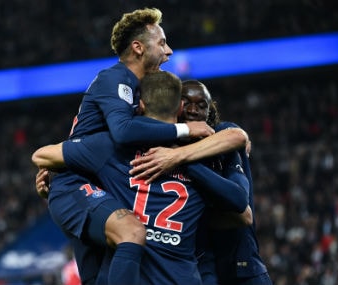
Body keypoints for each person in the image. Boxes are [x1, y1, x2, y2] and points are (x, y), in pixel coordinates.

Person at [34, 7, 215, 284]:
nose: (169, 52)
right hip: (77, 184)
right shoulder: (115, 78)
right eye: (162, 43)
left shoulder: (138, 88)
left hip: (100, 181)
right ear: (138, 47)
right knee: (132, 231)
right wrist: (185, 128)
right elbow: (121, 131)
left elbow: (91, 132)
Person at [33, 70, 252, 284]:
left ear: (141, 105)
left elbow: (42, 155)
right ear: (180, 108)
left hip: (129, 272)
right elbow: (241, 210)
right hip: (180, 276)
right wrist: (185, 161)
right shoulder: (201, 156)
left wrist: (54, 186)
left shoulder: (111, 148)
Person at [130, 80, 273, 285]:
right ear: (176, 106)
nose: (193, 110)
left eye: (201, 105)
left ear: (210, 111)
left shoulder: (220, 138)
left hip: (241, 269)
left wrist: (181, 160)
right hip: (198, 269)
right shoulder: (158, 150)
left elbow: (242, 210)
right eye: (186, 102)